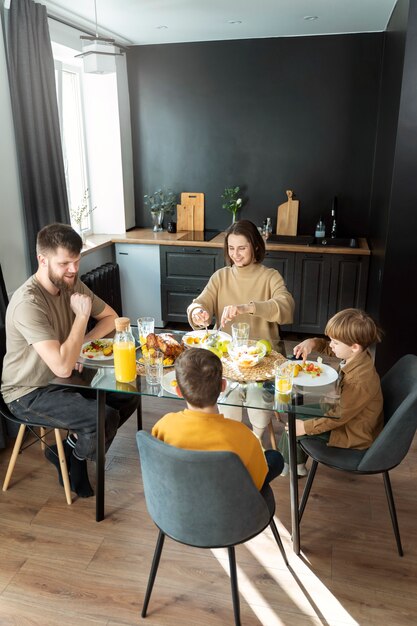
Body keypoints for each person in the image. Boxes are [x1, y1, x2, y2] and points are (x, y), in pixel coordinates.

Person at [1, 223, 139, 497]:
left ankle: (68, 450)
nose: (73, 269)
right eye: (65, 263)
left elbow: (112, 318)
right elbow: (62, 365)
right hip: (28, 391)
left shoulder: (69, 283)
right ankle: (77, 456)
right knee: (102, 417)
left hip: (61, 377)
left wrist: (79, 345)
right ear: (42, 259)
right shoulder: (28, 303)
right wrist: (81, 319)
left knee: (128, 392)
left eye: (76, 261)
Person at [186, 219, 295, 440]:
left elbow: (286, 307)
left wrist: (248, 307)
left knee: (256, 394)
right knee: (228, 392)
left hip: (265, 359)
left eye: (242, 248)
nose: (235, 254)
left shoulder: (270, 276)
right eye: (231, 248)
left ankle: (256, 440)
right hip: (227, 358)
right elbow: (199, 302)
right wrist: (198, 311)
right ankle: (234, 441)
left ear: (255, 245)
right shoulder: (220, 277)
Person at [152, 347, 284, 489]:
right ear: (223, 385)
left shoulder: (164, 425)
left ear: (178, 391)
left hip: (180, 501)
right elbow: (255, 483)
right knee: (275, 459)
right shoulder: (243, 435)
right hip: (228, 505)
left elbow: (158, 467)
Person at [278, 308, 384, 477]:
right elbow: (333, 349)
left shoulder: (360, 381)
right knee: (294, 410)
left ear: (354, 346)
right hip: (346, 412)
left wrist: (305, 427)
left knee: (293, 425)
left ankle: (289, 466)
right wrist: (312, 342)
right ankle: (293, 463)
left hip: (352, 431)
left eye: (335, 342)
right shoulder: (359, 355)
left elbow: (339, 417)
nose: (331, 345)